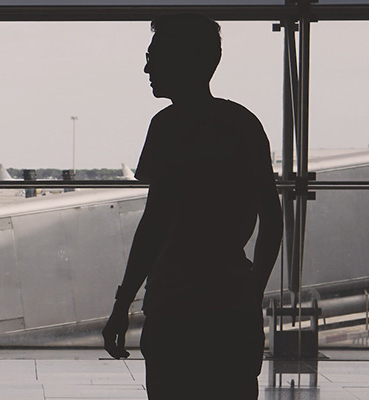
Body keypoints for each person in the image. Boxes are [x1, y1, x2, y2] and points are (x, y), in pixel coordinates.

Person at [102, 13, 284, 400]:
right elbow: (272, 219)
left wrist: (123, 305)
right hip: (230, 300)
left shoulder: (168, 127)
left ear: (182, 60)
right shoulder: (244, 124)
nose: (147, 66)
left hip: (175, 303)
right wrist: (252, 294)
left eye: (154, 55)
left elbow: (155, 225)